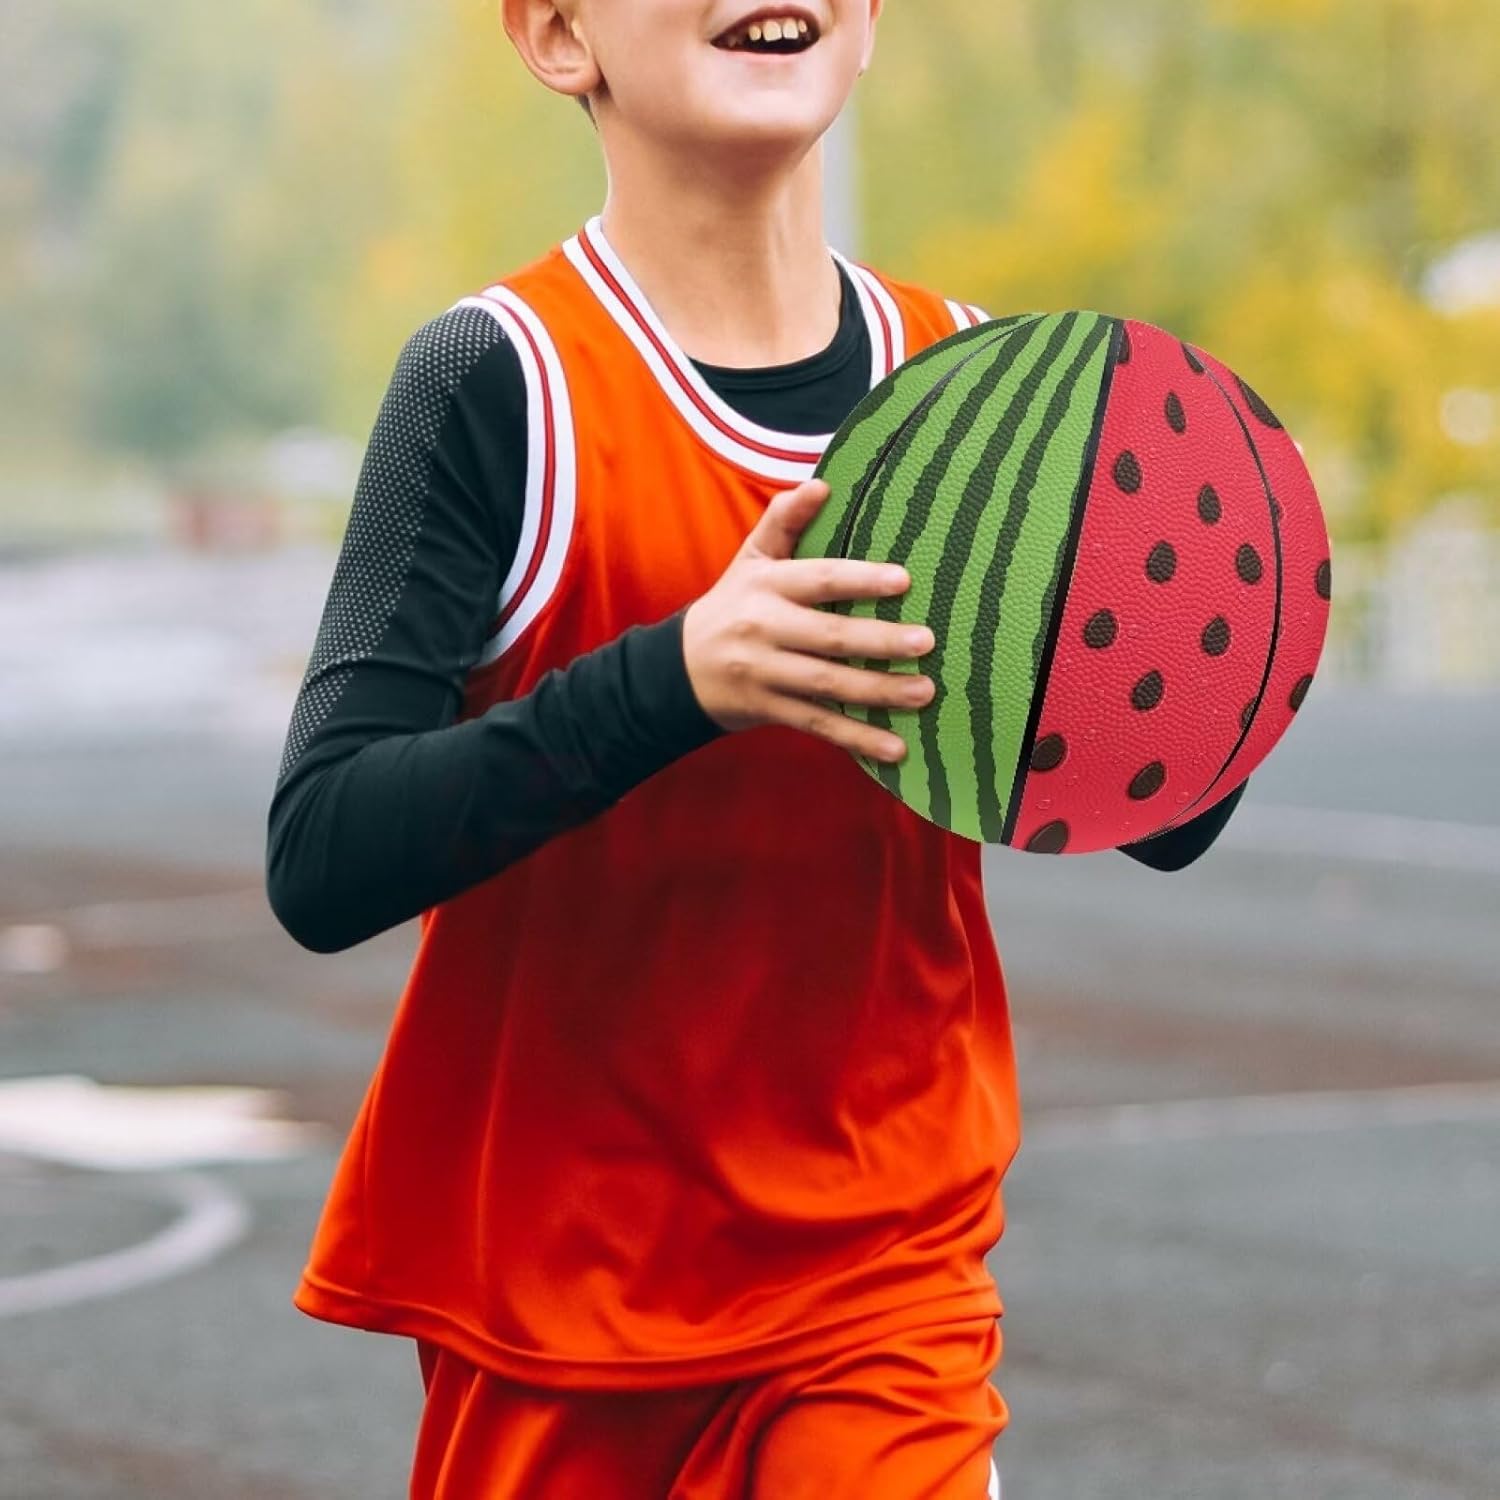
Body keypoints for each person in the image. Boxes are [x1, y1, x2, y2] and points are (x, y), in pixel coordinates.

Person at [266, 2, 1246, 1494]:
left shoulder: (981, 396)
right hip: (560, 1291)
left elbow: (1162, 813)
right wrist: (675, 679)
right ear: (554, 36)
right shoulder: (496, 382)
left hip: (883, 1273)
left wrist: (1195, 646)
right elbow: (322, 853)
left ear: (865, 27)